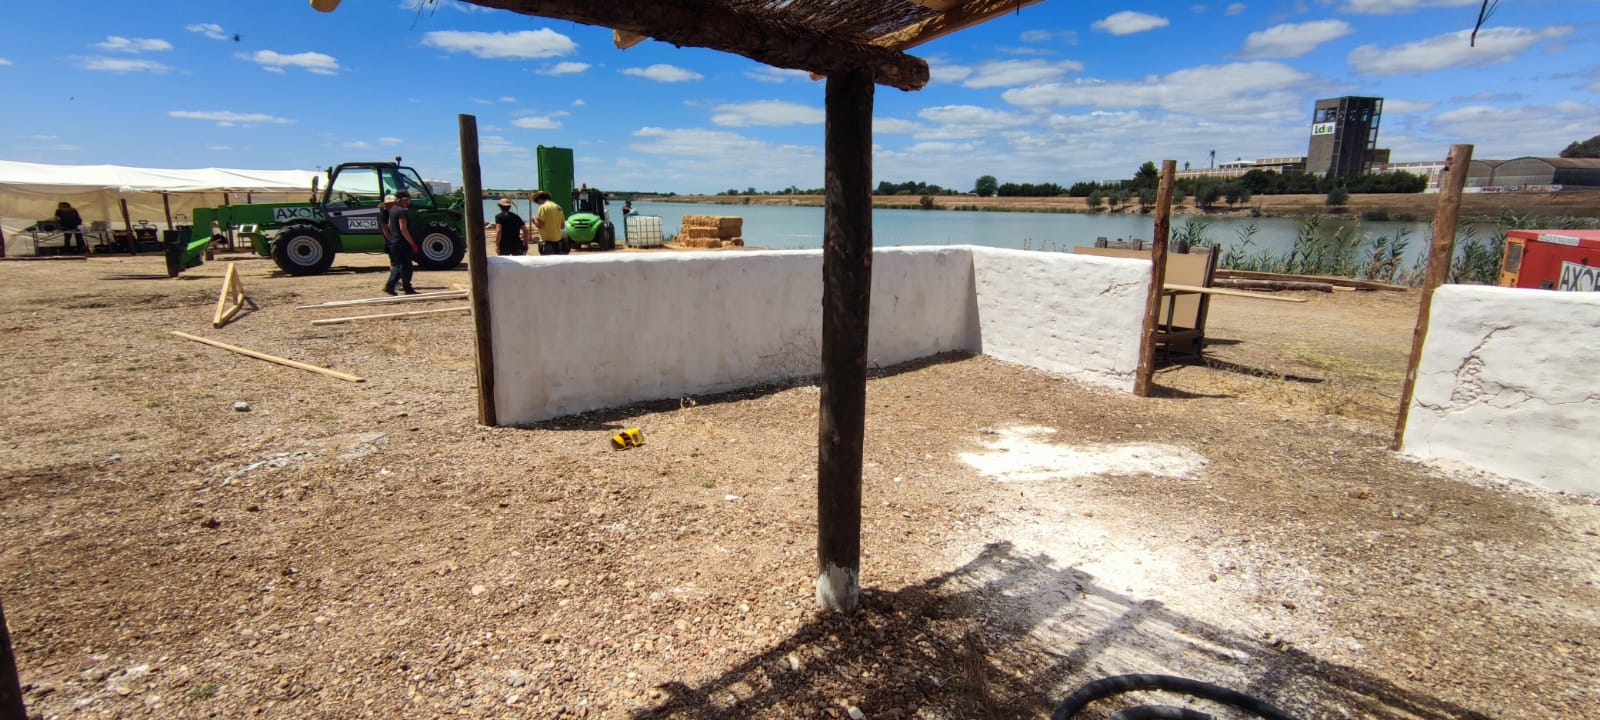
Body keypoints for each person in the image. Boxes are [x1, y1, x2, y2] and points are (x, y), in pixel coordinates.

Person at [383, 190, 420, 295]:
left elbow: (389, 225)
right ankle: (391, 286)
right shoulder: (402, 211)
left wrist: (394, 235)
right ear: (404, 199)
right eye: (408, 199)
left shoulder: (393, 210)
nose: (409, 202)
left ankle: (407, 288)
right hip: (402, 243)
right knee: (404, 267)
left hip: (395, 242)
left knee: (400, 266)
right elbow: (403, 228)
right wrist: (412, 243)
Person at [531, 189, 566, 255]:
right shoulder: (558, 207)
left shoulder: (543, 207)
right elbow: (562, 226)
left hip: (547, 242)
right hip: (558, 241)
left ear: (539, 199)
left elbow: (540, 225)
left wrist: (534, 219)